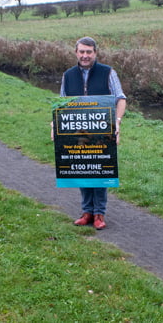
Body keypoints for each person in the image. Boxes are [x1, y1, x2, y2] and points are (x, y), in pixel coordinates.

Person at [56, 36, 126, 230]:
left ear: (95, 53)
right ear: (76, 53)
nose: (85, 56)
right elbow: (62, 104)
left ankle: (99, 214)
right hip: (77, 131)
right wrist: (55, 128)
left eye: (89, 52)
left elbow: (120, 99)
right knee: (82, 169)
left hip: (103, 130)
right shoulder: (68, 75)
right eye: (82, 52)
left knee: (100, 170)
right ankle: (87, 212)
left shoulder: (108, 72)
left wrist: (117, 123)